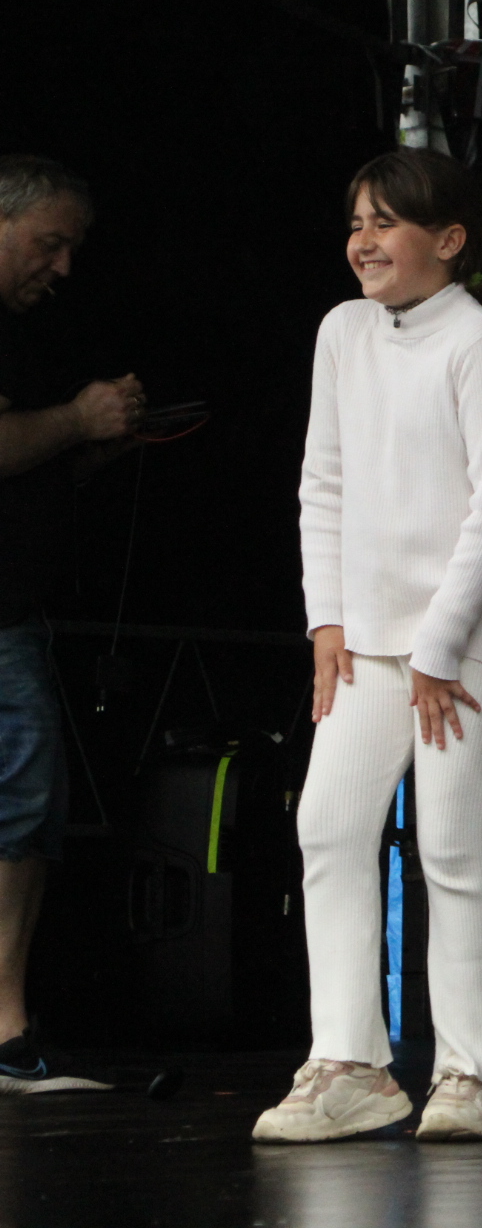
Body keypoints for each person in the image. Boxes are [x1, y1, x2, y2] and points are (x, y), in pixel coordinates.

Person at [255, 149, 482, 1143]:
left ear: (449, 240)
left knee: (452, 843)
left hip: (470, 638)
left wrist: (439, 644)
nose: (364, 240)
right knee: (329, 826)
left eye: (386, 222)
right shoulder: (342, 332)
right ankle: (351, 1062)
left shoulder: (481, 341)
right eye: (356, 222)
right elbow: (324, 481)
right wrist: (326, 620)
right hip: (373, 637)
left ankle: (470, 1073)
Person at [0, 156, 144, 1094]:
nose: (60, 267)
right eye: (49, 243)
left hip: (14, 607)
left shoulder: (23, 332)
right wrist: (79, 419)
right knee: (20, 792)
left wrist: (96, 445)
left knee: (25, 800)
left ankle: (6, 1026)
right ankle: (5, 1030)